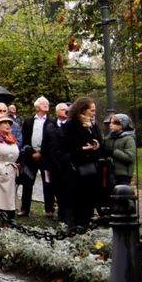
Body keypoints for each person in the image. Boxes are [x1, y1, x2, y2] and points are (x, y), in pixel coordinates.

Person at [61, 97, 103, 229]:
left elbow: (98, 140)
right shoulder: (71, 125)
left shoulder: (93, 125)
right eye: (92, 110)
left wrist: (96, 144)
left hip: (91, 166)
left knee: (89, 198)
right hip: (77, 168)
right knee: (77, 198)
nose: (94, 113)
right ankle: (76, 224)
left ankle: (87, 221)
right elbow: (66, 147)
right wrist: (84, 148)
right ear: (83, 110)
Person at [20, 97, 56, 218]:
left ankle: (49, 209)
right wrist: (31, 152)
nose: (46, 104)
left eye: (47, 103)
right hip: (31, 157)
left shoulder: (52, 122)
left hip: (45, 158)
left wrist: (41, 153)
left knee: (48, 183)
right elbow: (24, 139)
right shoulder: (28, 122)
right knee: (27, 182)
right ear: (37, 107)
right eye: (43, 103)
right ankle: (25, 209)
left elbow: (52, 141)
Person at [103, 113, 136, 187]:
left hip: (123, 175)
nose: (110, 124)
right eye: (110, 122)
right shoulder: (108, 138)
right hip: (109, 172)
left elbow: (130, 157)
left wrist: (113, 152)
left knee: (122, 195)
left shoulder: (128, 139)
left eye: (114, 122)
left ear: (122, 124)